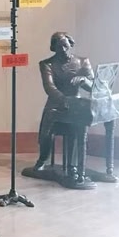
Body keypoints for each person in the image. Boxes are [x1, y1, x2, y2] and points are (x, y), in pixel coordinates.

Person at [32, 32, 94, 170]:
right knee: (46, 131)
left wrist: (84, 80)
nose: (63, 50)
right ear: (54, 48)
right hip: (56, 103)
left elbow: (94, 87)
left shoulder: (83, 62)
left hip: (76, 104)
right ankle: (43, 159)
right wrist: (63, 100)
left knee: (78, 129)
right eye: (59, 47)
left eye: (65, 46)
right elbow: (49, 87)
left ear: (70, 44)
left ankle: (73, 165)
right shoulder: (47, 64)